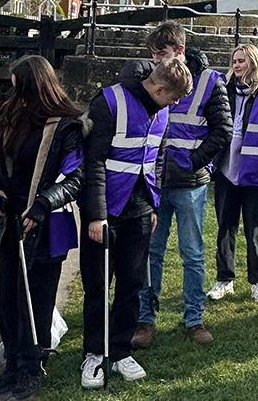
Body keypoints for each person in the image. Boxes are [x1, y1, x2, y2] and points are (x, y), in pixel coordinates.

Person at [79, 58, 192, 388]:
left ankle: (119, 349)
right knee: (98, 286)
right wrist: (96, 215)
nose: (176, 105)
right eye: (173, 98)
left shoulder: (163, 109)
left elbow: (155, 157)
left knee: (131, 285)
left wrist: (153, 203)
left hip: (140, 211)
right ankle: (94, 354)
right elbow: (93, 162)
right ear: (158, 89)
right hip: (106, 212)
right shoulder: (109, 102)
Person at [0, 55, 85, 399]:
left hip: (44, 222)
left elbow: (75, 177)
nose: (17, 96)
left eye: (21, 89)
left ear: (34, 87)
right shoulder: (12, 115)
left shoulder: (68, 126)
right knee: (8, 294)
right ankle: (12, 361)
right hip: (11, 219)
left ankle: (32, 365)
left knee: (36, 299)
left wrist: (43, 204)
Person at [135, 21, 233, 348]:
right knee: (152, 252)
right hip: (155, 183)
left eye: (161, 54)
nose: (155, 61)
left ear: (179, 50)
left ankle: (194, 318)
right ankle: (145, 319)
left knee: (192, 253)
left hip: (191, 183)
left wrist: (194, 160)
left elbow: (223, 130)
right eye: (152, 55)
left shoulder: (211, 82)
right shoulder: (149, 80)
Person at [206, 44, 258, 304]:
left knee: (255, 232)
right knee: (225, 229)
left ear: (253, 63)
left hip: (256, 177)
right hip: (227, 174)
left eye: (241, 61)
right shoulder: (223, 91)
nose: (237, 65)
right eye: (234, 61)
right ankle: (224, 280)